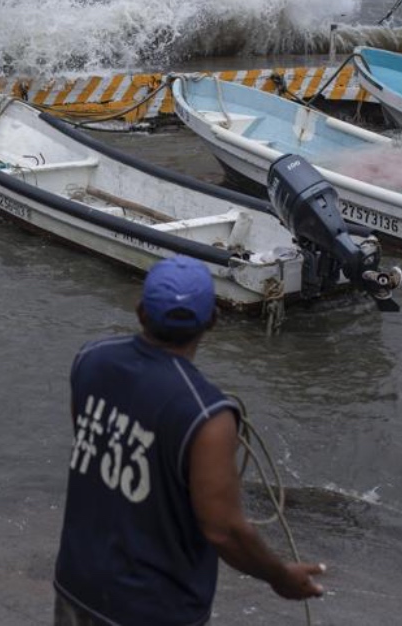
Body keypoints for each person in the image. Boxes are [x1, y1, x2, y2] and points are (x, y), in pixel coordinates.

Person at [54, 255, 326, 625]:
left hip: (78, 584)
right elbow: (223, 529)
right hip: (153, 609)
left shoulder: (90, 360)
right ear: (212, 320)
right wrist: (280, 576)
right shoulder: (208, 415)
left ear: (140, 312)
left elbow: (94, 447)